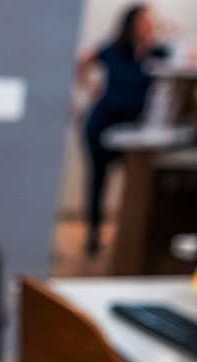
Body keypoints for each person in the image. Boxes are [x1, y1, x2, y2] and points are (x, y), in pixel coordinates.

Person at [76, 4, 172, 257]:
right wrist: (90, 89)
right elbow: (83, 61)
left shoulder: (158, 52)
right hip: (102, 122)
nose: (150, 24)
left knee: (137, 182)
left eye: (152, 20)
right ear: (132, 22)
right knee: (98, 180)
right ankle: (93, 235)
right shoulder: (113, 49)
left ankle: (129, 237)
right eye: (146, 20)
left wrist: (166, 32)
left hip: (134, 129)